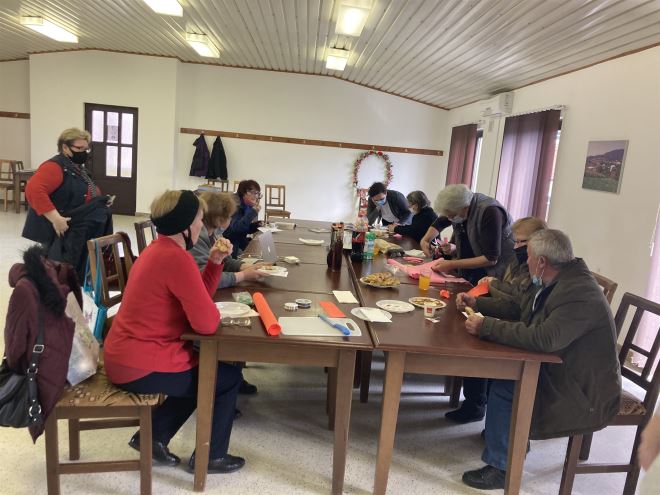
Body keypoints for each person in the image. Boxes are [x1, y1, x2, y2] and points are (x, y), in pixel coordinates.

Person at [457, 229, 621, 490]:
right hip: (561, 366)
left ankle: (502, 467)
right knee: (504, 373)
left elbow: (545, 339)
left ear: (542, 262)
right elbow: (520, 308)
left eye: (530, 256)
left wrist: (487, 326)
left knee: (507, 385)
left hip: (582, 389)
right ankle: (509, 441)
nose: (527, 261)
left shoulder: (579, 293)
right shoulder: (557, 278)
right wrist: (478, 305)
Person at [103, 190, 245, 474]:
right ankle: (212, 457)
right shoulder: (177, 259)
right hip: (140, 364)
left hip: (124, 356)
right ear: (185, 225)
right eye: (199, 219)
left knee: (199, 371)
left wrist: (214, 262)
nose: (202, 225)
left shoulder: (159, 250)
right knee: (226, 378)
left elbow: (198, 294)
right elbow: (206, 324)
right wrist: (214, 311)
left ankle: (152, 438)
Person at [445, 216, 548, 424]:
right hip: (508, 316)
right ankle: (477, 403)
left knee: (476, 344)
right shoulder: (518, 259)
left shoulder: (537, 267)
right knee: (470, 332)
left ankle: (479, 406)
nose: (516, 247)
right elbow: (507, 288)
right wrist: (480, 299)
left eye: (522, 242)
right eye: (515, 242)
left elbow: (516, 303)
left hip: (521, 329)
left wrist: (491, 289)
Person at [190, 190, 270, 396]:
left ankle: (233, 376)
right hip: (197, 309)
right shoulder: (199, 238)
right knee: (235, 322)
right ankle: (224, 382)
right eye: (230, 217)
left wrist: (245, 266)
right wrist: (243, 276)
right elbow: (207, 278)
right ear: (220, 219)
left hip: (204, 299)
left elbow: (225, 262)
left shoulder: (213, 234)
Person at [22, 128, 113, 282]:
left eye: (86, 149)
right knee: (61, 274)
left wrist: (100, 200)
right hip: (65, 232)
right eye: (79, 148)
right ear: (65, 147)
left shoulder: (77, 167)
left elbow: (86, 190)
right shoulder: (54, 166)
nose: (84, 152)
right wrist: (55, 218)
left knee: (72, 274)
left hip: (79, 229)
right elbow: (33, 189)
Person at [421, 184, 515, 285]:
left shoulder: (490, 212)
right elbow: (440, 223)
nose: (450, 219)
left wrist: (451, 264)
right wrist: (425, 240)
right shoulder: (458, 206)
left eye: (452, 216)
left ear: (465, 207)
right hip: (470, 268)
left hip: (496, 270)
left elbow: (490, 259)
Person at [222, 179, 262, 257]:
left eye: (258, 193)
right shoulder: (235, 205)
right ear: (244, 193)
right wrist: (253, 213)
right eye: (253, 193)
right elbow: (235, 230)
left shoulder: (247, 206)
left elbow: (244, 228)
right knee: (255, 255)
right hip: (230, 244)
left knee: (258, 251)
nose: (256, 196)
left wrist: (257, 225)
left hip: (239, 241)